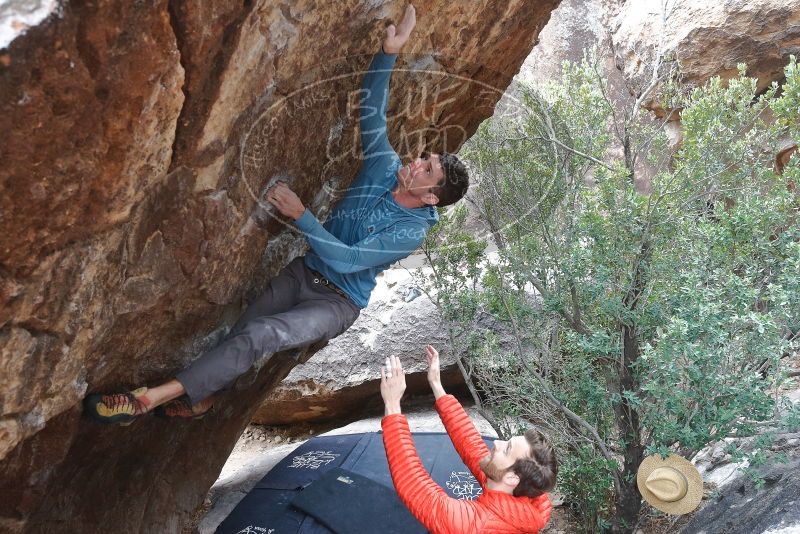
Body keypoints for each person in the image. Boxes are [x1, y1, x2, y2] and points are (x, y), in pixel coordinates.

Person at [85, 4, 470, 425]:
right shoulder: (384, 167)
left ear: (431, 197)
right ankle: (202, 397)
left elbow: (347, 260)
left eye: (426, 169)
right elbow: (371, 114)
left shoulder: (410, 233)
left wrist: (303, 215)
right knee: (244, 332)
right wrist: (389, 52)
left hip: (336, 302)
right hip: (302, 273)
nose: (416, 162)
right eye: (424, 158)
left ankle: (145, 400)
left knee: (262, 334)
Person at [380, 346, 556, 533]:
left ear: (513, 478)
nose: (496, 443)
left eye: (506, 449)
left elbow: (416, 488)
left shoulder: (477, 526)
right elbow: (472, 446)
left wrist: (392, 404)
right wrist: (437, 385)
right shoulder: (522, 498)